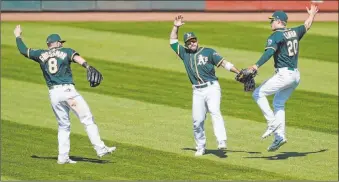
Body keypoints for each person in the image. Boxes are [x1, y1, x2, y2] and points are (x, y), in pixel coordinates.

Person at [14, 25, 116, 164]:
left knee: (63, 125)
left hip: (54, 95)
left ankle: (63, 157)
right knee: (87, 119)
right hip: (68, 93)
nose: (61, 44)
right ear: (55, 43)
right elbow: (77, 58)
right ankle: (100, 148)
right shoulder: (66, 51)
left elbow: (23, 50)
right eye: (60, 42)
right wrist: (87, 66)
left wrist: (18, 36)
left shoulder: (40, 54)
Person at [247, 4, 319, 151]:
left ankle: (272, 123)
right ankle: (280, 136)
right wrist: (312, 15)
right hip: (295, 76)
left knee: (258, 93)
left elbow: (268, 53)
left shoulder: (276, 35)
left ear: (279, 21)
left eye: (272, 20)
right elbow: (307, 25)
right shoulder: (294, 31)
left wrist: (256, 66)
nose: (270, 23)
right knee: (278, 103)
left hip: (284, 74)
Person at [169, 15, 241, 156]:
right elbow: (172, 41)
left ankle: (221, 140)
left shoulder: (208, 52)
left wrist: (237, 71)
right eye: (189, 42)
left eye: (193, 41)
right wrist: (176, 27)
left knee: (215, 111)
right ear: (186, 45)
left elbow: (224, 63)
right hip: (197, 91)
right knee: (197, 121)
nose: (192, 44)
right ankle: (200, 146)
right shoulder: (184, 53)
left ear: (197, 41)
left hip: (212, 87)